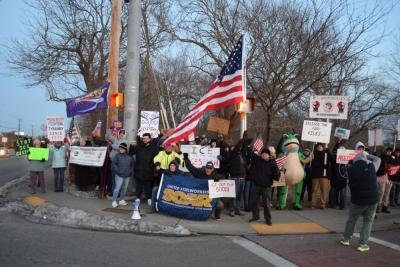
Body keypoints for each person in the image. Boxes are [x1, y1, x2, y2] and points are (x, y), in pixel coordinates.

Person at [340, 148, 381, 252]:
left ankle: (346, 239)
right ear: (365, 157)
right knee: (368, 221)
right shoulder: (372, 166)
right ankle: (362, 244)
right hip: (372, 199)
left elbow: (344, 170)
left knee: (352, 219)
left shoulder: (350, 169)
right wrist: (368, 156)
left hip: (357, 199)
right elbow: (378, 159)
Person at [183, 153, 224, 220]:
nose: (208, 170)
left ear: (213, 169)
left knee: (220, 205)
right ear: (205, 168)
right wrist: (186, 159)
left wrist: (218, 181)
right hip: (198, 195)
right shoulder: (199, 172)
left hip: (210, 196)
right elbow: (191, 168)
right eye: (207, 168)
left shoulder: (216, 176)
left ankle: (217, 215)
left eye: (210, 168)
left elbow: (223, 179)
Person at [248, 148, 280, 225]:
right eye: (262, 154)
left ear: (269, 155)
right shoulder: (258, 159)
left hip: (266, 187)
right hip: (256, 185)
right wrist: (252, 147)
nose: (264, 155)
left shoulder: (272, 163)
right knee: (254, 202)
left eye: (265, 154)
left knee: (266, 203)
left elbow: (276, 176)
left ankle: (268, 219)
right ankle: (256, 216)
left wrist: (279, 174)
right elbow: (251, 153)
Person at [129, 133, 160, 206]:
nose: (145, 140)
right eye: (144, 138)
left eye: (146, 138)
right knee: (138, 186)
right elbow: (131, 153)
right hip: (139, 169)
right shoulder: (138, 146)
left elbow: (157, 158)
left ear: (150, 139)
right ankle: (138, 198)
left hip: (149, 170)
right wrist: (131, 146)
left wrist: (157, 165)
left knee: (148, 186)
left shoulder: (154, 147)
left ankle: (149, 198)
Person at [226, 140, 247, 217]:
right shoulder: (231, 155)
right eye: (232, 147)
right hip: (235, 178)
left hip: (242, 178)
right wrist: (242, 140)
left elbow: (243, 150)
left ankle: (237, 209)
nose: (234, 148)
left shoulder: (241, 155)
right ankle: (231, 210)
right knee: (233, 195)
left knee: (239, 195)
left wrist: (244, 143)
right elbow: (236, 149)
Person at [310, 143, 333, 209]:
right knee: (314, 190)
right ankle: (313, 204)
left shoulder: (326, 154)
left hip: (324, 176)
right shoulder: (313, 154)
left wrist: (327, 148)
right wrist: (314, 144)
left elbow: (332, 159)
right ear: (316, 147)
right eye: (318, 146)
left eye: (321, 146)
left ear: (323, 147)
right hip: (315, 176)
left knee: (324, 190)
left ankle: (323, 204)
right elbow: (314, 164)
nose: (319, 147)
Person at [111, 143, 134, 208]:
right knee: (117, 188)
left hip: (127, 175)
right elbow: (114, 164)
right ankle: (114, 201)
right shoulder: (117, 155)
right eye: (120, 148)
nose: (120, 150)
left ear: (125, 149)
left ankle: (121, 200)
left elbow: (132, 165)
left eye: (122, 148)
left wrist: (130, 171)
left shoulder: (129, 156)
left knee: (124, 188)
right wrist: (117, 170)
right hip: (119, 175)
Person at [329, 139, 348, 209]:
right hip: (334, 178)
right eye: (340, 151)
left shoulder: (347, 159)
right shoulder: (334, 158)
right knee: (333, 192)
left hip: (343, 179)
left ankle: (342, 206)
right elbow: (333, 151)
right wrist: (338, 143)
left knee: (342, 194)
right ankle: (332, 204)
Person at [376, 148, 395, 213]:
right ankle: (378, 206)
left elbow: (395, 166)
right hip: (382, 176)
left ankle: (385, 206)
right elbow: (377, 166)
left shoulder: (392, 158)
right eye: (388, 151)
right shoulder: (381, 157)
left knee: (387, 193)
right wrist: (384, 169)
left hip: (390, 177)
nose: (389, 152)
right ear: (385, 151)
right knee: (381, 192)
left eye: (390, 151)